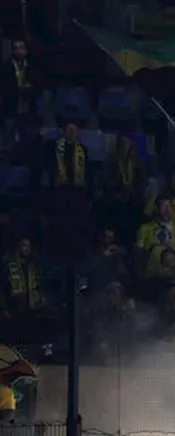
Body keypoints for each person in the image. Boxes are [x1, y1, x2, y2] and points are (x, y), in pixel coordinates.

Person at [44, 122, 93, 257]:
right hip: (60, 190)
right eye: (68, 129)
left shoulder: (82, 149)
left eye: (73, 129)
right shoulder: (53, 147)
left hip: (77, 191)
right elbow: (48, 166)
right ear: (63, 131)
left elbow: (88, 172)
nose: (71, 132)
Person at [2, 236, 47, 343]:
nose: (27, 249)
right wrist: (5, 308)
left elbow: (41, 285)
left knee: (33, 338)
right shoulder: (10, 265)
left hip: (33, 308)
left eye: (28, 246)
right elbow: (4, 288)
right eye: (24, 245)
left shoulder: (35, 265)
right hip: (16, 308)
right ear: (19, 247)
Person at [101, 135, 145, 241]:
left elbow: (142, 181)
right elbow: (106, 180)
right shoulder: (111, 160)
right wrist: (119, 189)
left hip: (132, 199)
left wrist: (133, 191)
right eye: (123, 143)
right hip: (115, 197)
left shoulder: (137, 162)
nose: (125, 145)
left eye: (127, 142)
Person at [135, 198, 175, 277]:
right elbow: (138, 255)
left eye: (169, 206)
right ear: (157, 208)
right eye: (163, 206)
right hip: (153, 277)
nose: (167, 210)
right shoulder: (145, 229)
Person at [0, 38, 39, 143]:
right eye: (16, 48)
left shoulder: (32, 65)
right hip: (11, 107)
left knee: (28, 140)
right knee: (9, 140)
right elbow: (4, 87)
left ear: (26, 50)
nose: (18, 51)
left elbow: (39, 83)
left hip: (28, 108)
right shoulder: (7, 66)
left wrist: (31, 86)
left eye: (21, 48)